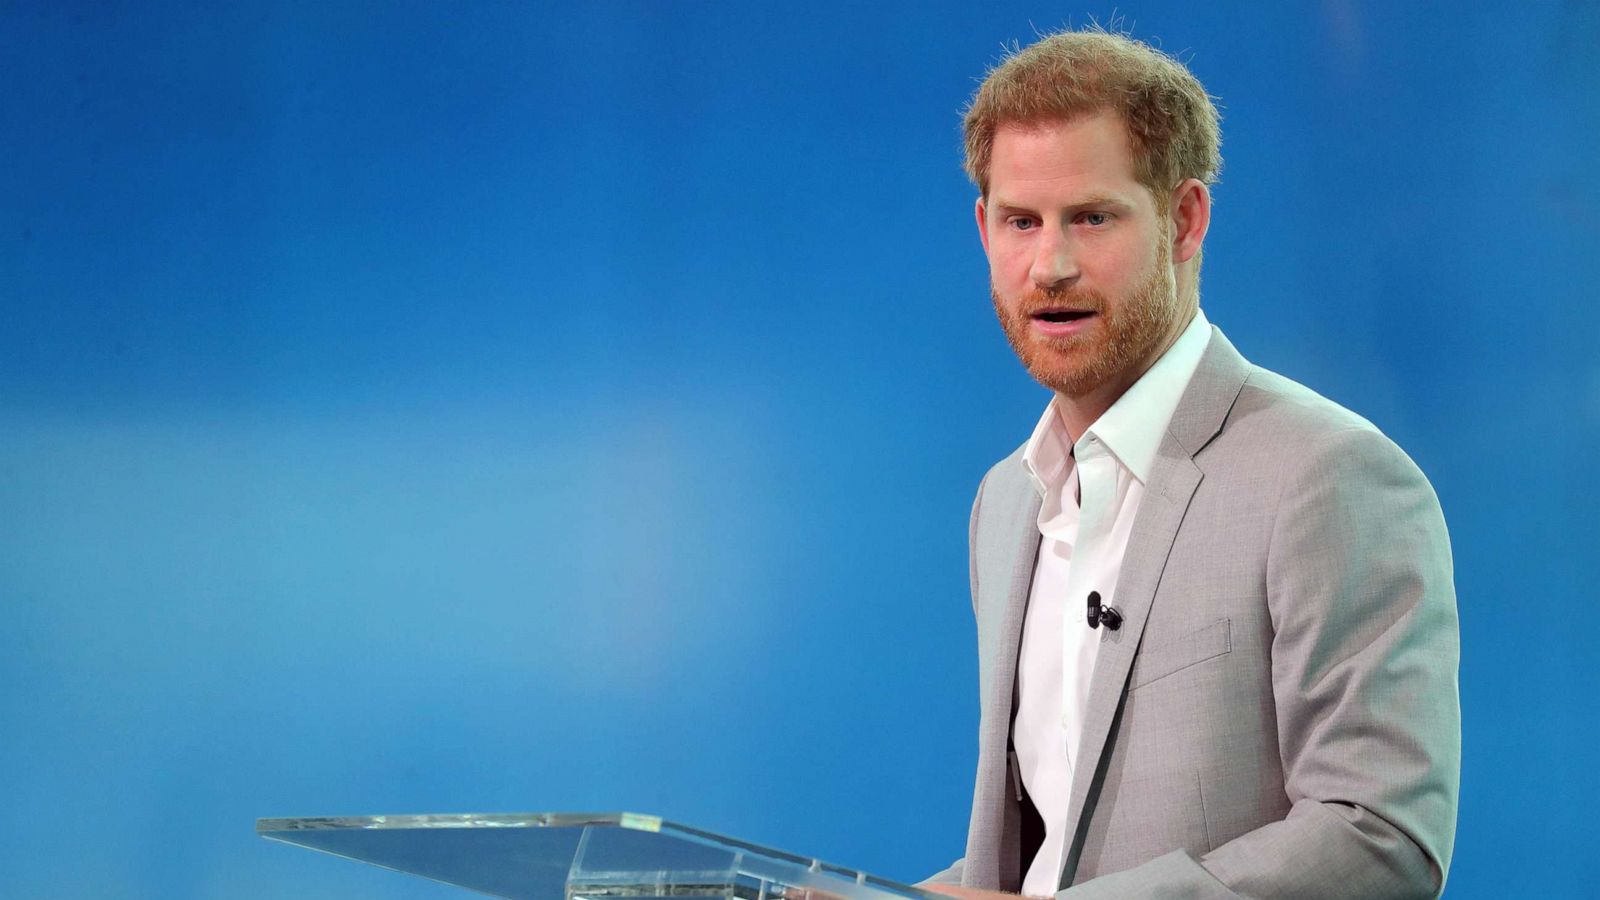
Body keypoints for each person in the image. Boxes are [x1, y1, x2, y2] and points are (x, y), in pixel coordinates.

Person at [922, 28, 1460, 900]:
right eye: (1022, 221)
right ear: (985, 229)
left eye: (1092, 218)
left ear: (1184, 219)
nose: (1049, 266)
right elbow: (1050, 858)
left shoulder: (1331, 476)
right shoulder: (1005, 502)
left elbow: (1380, 840)